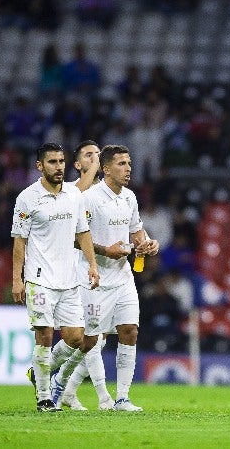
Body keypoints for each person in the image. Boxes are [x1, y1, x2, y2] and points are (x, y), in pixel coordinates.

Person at [54, 144, 159, 412]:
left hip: (123, 276)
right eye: (122, 164)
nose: (128, 170)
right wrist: (103, 250)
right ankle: (54, 375)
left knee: (130, 331)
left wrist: (147, 243)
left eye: (130, 164)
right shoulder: (88, 198)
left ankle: (122, 398)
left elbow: (136, 231)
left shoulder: (129, 198)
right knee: (89, 340)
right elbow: (74, 238)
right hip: (93, 277)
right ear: (106, 168)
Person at [11, 142, 100, 412]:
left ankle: (36, 372)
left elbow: (83, 232)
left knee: (77, 338)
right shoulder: (28, 198)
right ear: (40, 166)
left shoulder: (74, 196)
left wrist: (93, 265)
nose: (59, 167)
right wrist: (18, 279)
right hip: (39, 280)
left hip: (69, 279)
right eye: (52, 162)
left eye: (61, 161)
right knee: (44, 336)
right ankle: (44, 397)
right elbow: (19, 241)